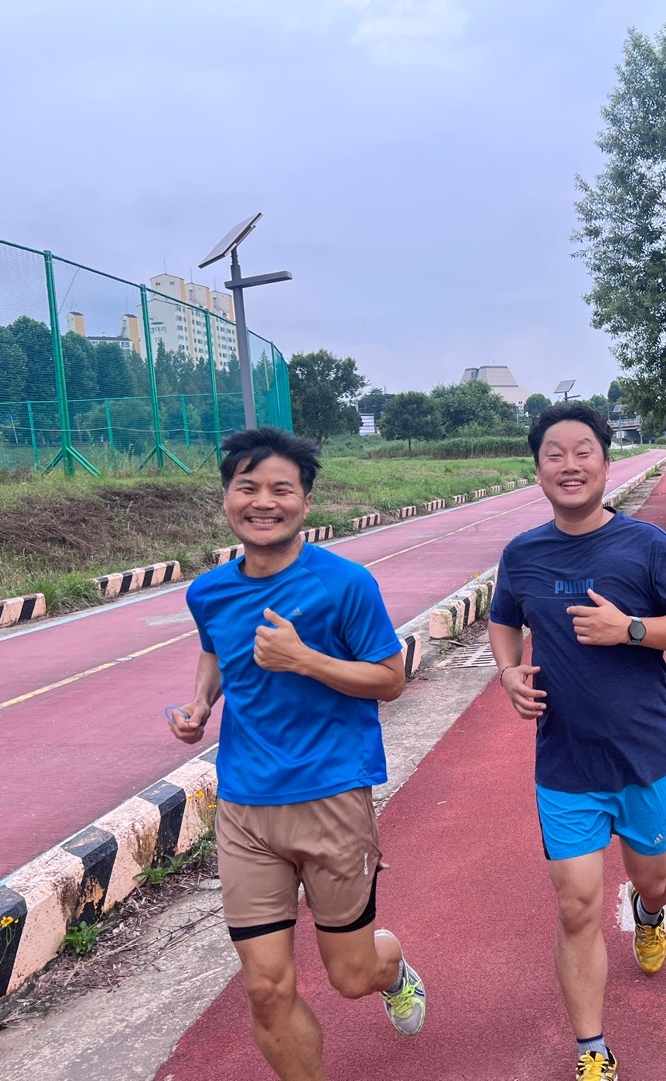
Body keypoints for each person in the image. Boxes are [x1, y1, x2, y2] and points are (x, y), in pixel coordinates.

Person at [168, 426, 425, 1081]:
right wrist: (200, 704)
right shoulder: (208, 591)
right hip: (245, 806)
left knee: (351, 975)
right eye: (247, 486)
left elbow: (390, 679)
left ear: (306, 502)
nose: (263, 501)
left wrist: (304, 659)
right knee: (266, 985)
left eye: (281, 488)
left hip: (332, 797)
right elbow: (215, 651)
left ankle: (391, 965)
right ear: (227, 497)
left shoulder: (345, 585)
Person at [488, 403, 666, 1081]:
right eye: (554, 454)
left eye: (582, 451)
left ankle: (649, 913)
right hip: (564, 761)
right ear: (537, 470)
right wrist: (507, 671)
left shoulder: (648, 546)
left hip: (643, 754)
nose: (569, 465)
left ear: (606, 463)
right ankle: (592, 1048)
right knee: (576, 905)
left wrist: (631, 629)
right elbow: (503, 619)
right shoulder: (522, 553)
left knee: (654, 878)